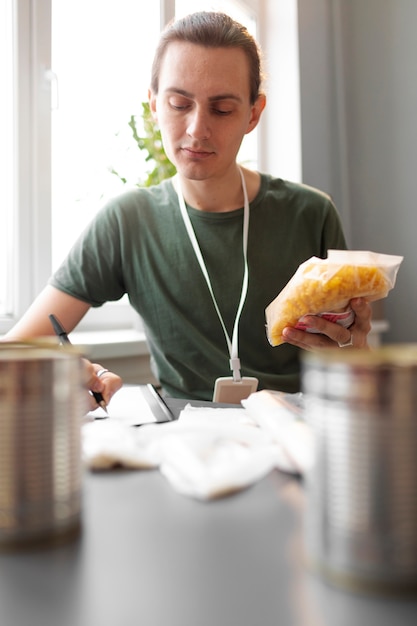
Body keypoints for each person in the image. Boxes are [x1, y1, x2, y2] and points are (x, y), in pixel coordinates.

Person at [4, 11, 372, 406]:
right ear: (154, 105)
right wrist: (69, 370)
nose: (197, 129)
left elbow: (356, 372)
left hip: (294, 435)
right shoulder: (128, 220)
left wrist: (354, 354)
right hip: (180, 442)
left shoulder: (310, 213)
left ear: (253, 113)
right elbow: (16, 350)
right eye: (179, 104)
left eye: (222, 110)